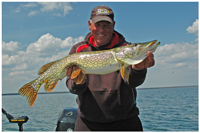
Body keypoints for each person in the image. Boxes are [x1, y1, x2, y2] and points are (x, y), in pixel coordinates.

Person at [66, 5, 155, 131]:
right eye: (98, 25)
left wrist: (138, 70)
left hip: (125, 123)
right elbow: (73, 88)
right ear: (89, 25)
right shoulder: (79, 50)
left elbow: (132, 82)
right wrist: (77, 81)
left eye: (106, 25)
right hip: (88, 124)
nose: (102, 30)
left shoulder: (126, 49)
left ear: (113, 25)